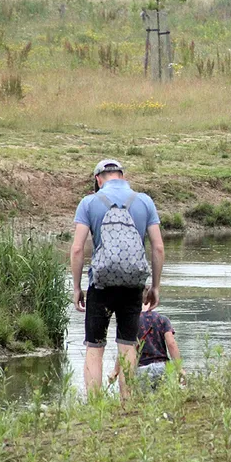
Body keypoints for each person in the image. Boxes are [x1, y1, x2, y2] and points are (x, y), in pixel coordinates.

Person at [70, 159, 164, 400]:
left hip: (100, 284)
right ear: (122, 176)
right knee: (128, 344)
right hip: (133, 284)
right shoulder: (144, 201)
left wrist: (77, 287)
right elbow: (158, 248)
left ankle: (95, 405)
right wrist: (154, 286)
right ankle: (128, 402)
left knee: (95, 347)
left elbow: (78, 250)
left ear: (98, 179)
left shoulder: (89, 202)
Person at [110, 300, 183, 389]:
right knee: (165, 399)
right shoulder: (162, 319)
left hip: (141, 369)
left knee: (143, 401)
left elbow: (124, 351)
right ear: (151, 301)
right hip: (163, 367)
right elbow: (171, 344)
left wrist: (115, 371)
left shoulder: (130, 322)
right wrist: (179, 368)